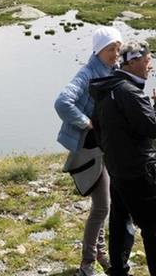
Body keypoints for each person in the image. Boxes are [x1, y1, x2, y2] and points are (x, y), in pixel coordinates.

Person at [89, 40, 156, 276]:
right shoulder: (129, 92)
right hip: (140, 171)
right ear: (132, 62)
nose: (151, 66)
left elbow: (98, 129)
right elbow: (153, 126)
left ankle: (119, 270)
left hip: (117, 169)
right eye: (147, 61)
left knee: (120, 220)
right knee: (155, 229)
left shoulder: (107, 89)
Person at [55, 26, 122, 276]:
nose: (116, 54)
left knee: (106, 203)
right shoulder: (87, 73)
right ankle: (86, 264)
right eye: (110, 49)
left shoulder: (113, 71)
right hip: (89, 149)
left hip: (105, 148)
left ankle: (100, 253)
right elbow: (62, 102)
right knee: (103, 207)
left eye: (118, 49)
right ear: (98, 50)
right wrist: (86, 122)